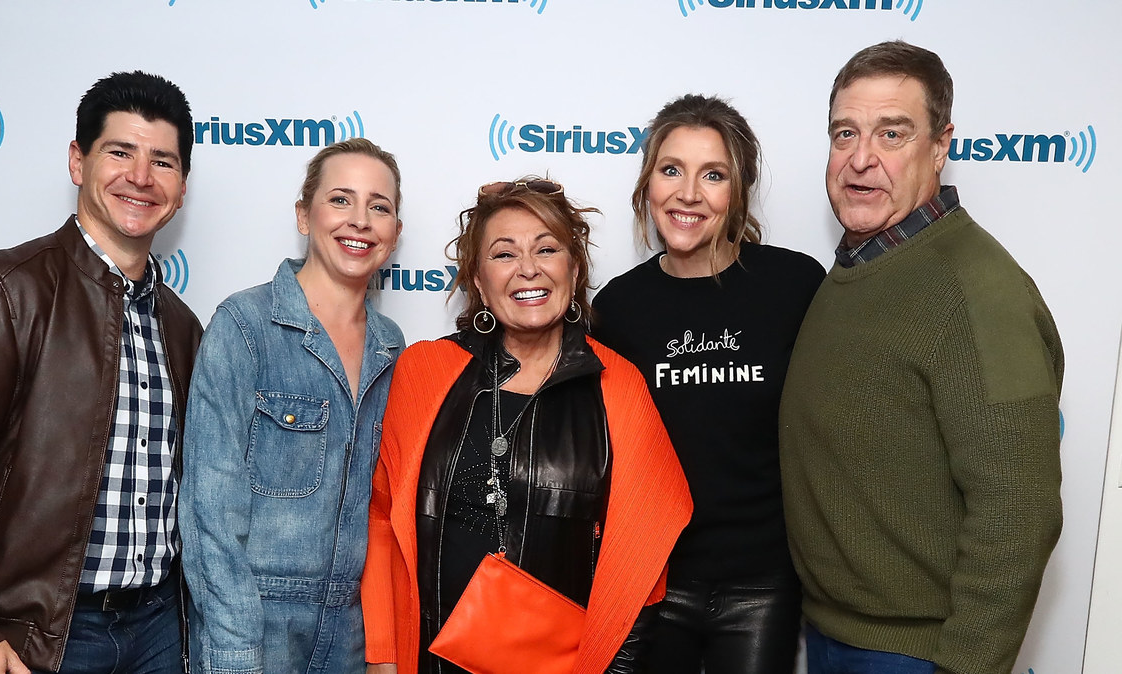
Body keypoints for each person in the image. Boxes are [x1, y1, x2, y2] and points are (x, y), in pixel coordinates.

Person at [0, 71, 203, 674]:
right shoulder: (4, 290)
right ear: (77, 162)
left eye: (162, 161)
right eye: (120, 152)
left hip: (161, 630)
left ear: (182, 187)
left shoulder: (184, 328)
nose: (141, 176)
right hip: (43, 634)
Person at [779, 40, 1064, 674]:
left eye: (893, 134)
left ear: (941, 145)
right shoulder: (864, 264)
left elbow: (1019, 504)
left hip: (914, 654)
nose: (861, 159)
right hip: (833, 634)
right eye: (845, 133)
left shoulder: (975, 287)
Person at [362, 177, 692, 674]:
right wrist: (384, 655)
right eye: (504, 254)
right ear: (477, 279)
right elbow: (382, 520)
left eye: (547, 248)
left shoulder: (617, 386)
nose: (528, 269)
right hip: (430, 659)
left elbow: (645, 566)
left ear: (574, 268)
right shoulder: (425, 371)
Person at [593, 94, 825, 673]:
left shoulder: (794, 285)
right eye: (671, 170)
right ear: (648, 183)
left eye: (713, 175)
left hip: (763, 584)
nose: (688, 194)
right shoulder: (619, 307)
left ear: (739, 190)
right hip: (657, 583)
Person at [179, 138, 405, 674]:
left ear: (396, 232)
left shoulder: (393, 347)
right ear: (304, 216)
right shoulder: (245, 324)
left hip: (350, 629)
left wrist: (380, 644)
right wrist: (234, 652)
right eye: (340, 200)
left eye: (380, 206)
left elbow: (381, 515)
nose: (360, 221)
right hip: (257, 620)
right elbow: (209, 508)